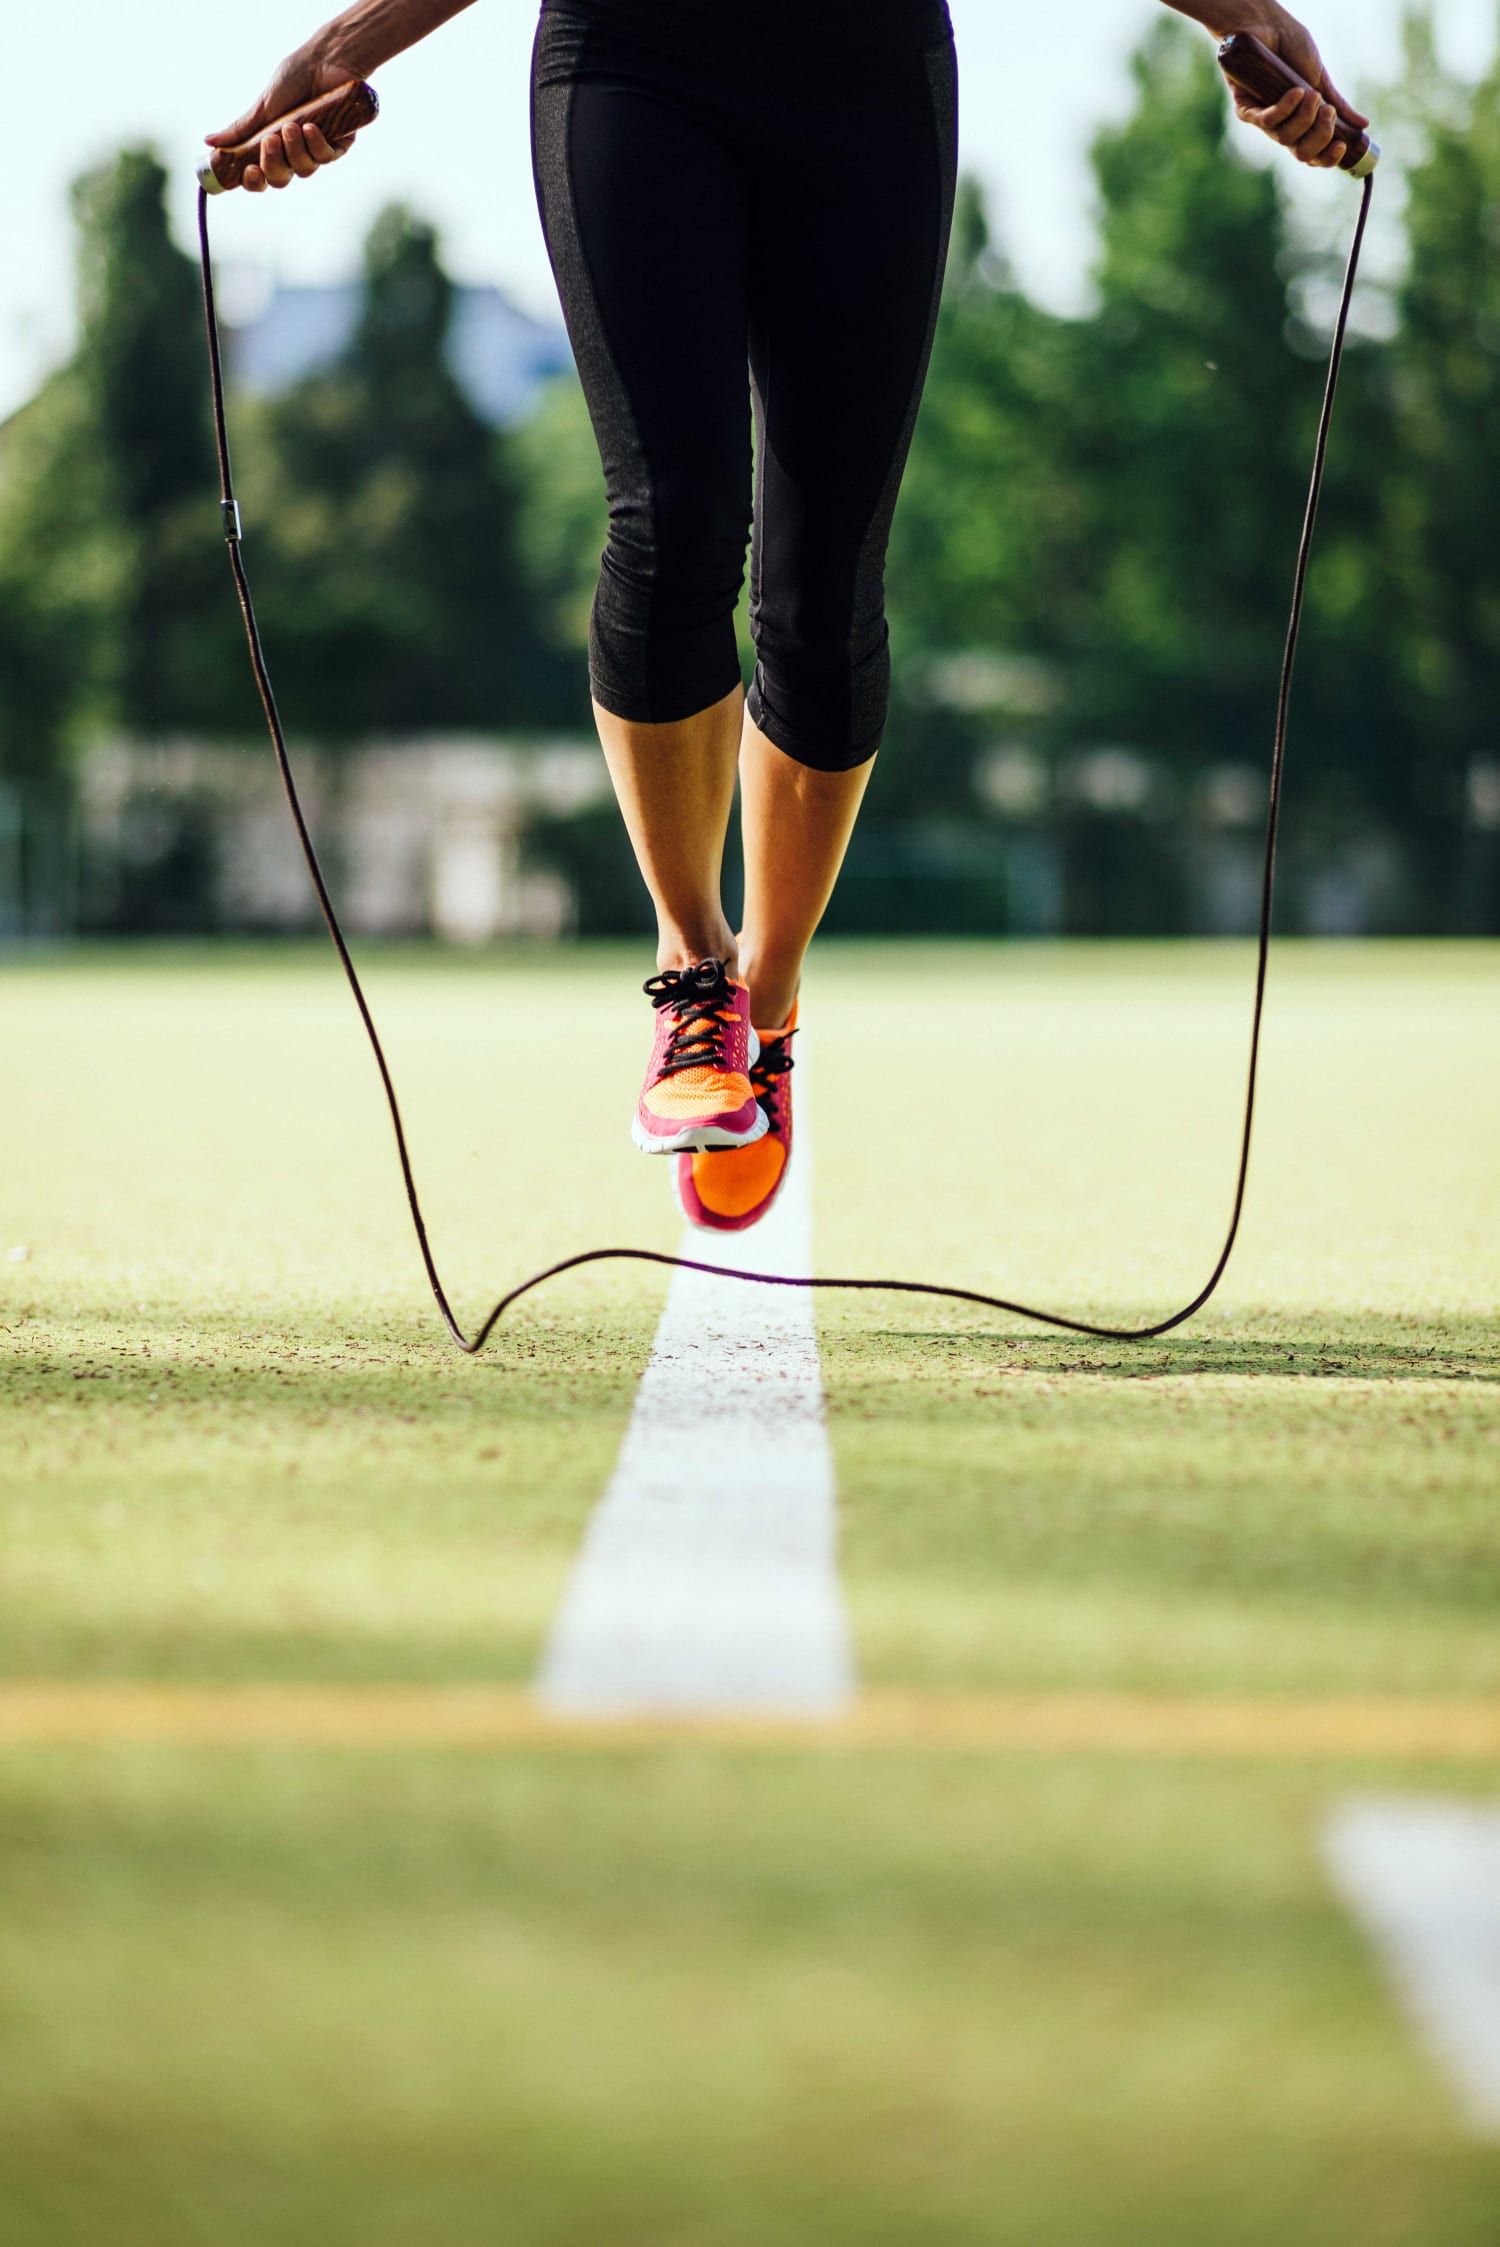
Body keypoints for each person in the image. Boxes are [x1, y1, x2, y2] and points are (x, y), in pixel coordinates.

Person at [208, 0, 1365, 1235]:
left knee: (824, 590)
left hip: (868, 80)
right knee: (673, 518)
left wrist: (1245, 16)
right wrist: (345, 51)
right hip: (628, 56)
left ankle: (767, 996)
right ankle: (693, 974)